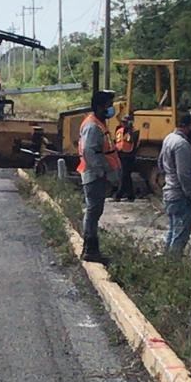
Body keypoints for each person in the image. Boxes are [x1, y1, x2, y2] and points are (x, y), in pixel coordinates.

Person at [77, 91, 121, 263]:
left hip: (98, 175)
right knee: (93, 211)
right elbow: (90, 152)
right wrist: (102, 172)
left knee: (95, 211)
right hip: (94, 175)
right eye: (109, 105)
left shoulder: (99, 124)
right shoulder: (92, 126)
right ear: (99, 107)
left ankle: (91, 248)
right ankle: (90, 249)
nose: (111, 109)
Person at [158, 111, 191, 257]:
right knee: (180, 235)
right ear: (186, 126)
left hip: (170, 192)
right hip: (181, 196)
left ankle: (166, 264)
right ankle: (173, 266)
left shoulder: (169, 139)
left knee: (172, 230)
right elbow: (184, 175)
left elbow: (160, 164)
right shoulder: (182, 145)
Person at [112, 114, 140, 202]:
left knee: (124, 175)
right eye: (123, 122)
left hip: (129, 155)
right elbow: (116, 141)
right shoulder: (119, 130)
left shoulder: (134, 131)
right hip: (120, 154)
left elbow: (133, 141)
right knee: (126, 175)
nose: (124, 124)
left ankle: (118, 195)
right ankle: (131, 195)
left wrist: (129, 129)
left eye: (126, 122)